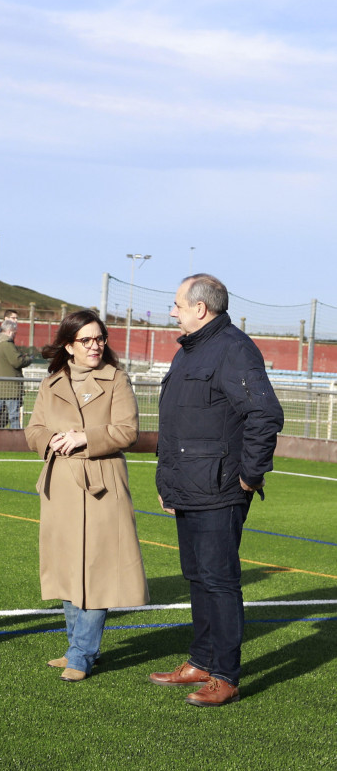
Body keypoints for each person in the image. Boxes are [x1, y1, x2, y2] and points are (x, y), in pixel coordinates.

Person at [149, 274, 283, 707]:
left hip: (220, 490)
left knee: (220, 581)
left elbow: (265, 415)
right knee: (198, 578)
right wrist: (167, 483)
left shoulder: (234, 349)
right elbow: (177, 425)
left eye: (177, 304)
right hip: (187, 487)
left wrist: (249, 476)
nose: (173, 311)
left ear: (201, 309)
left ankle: (225, 674)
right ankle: (201, 662)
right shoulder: (188, 351)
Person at [24, 310, 148, 682]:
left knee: (99, 571)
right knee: (66, 568)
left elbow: (127, 431)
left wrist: (84, 437)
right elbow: (34, 430)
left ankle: (82, 653)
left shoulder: (116, 380)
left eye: (100, 339)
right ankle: (75, 644)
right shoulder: (51, 383)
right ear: (69, 346)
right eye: (87, 340)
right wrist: (51, 440)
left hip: (103, 485)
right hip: (60, 484)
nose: (96, 346)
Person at [0, 310, 31, 429]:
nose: (15, 335)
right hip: (11, 388)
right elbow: (16, 362)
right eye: (14, 333)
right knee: (14, 417)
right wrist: (28, 358)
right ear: (10, 331)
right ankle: (15, 442)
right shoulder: (7, 344)